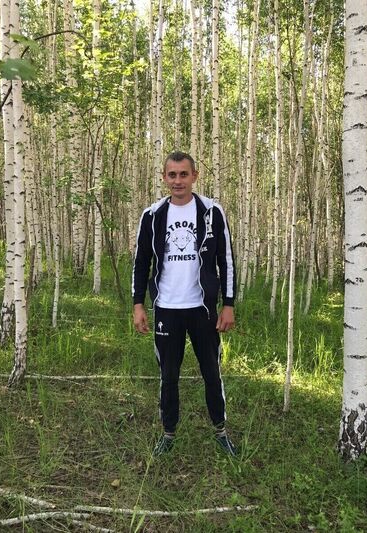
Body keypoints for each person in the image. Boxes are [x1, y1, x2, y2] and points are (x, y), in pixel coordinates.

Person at [132, 151, 237, 456]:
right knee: (168, 375)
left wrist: (228, 304)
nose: (178, 181)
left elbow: (226, 260)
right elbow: (141, 262)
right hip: (167, 308)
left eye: (183, 174)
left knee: (211, 372)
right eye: (172, 175)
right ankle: (168, 433)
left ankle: (220, 431)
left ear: (194, 176)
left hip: (202, 309)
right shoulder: (152, 215)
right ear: (164, 177)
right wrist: (138, 305)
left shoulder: (211, 212)